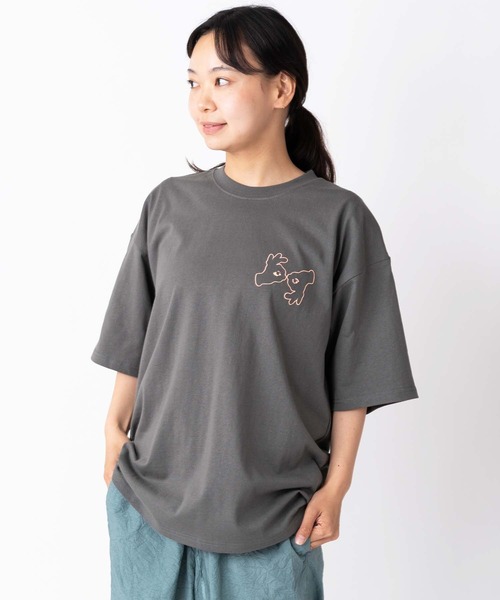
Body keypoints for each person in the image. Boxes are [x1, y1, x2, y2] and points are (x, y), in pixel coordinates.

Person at [91, 5, 419, 599]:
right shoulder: (168, 206)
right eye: (193, 82)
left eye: (222, 80)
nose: (202, 101)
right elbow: (133, 336)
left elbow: (359, 370)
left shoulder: (339, 220)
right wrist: (114, 431)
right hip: (149, 509)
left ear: (281, 89)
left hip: (275, 521)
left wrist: (337, 486)